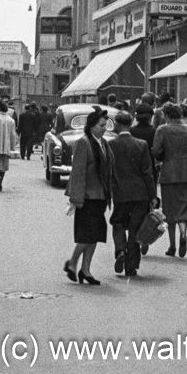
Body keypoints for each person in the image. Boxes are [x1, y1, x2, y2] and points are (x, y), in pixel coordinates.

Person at [64, 107, 115, 285]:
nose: (104, 129)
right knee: (88, 235)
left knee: (96, 234)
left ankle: (85, 270)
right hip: (87, 197)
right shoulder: (84, 142)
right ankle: (72, 262)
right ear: (92, 126)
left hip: (100, 196)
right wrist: (75, 198)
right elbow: (78, 172)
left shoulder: (103, 143)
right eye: (101, 125)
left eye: (105, 125)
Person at [153, 103, 187, 258]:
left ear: (167, 115)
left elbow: (156, 151)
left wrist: (163, 156)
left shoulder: (162, 129)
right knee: (185, 206)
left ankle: (172, 246)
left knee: (170, 209)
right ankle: (183, 234)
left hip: (169, 172)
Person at [109, 112, 155, 277]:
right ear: (130, 124)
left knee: (118, 222)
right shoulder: (141, 145)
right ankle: (131, 266)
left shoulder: (111, 144)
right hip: (140, 193)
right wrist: (153, 196)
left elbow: (108, 171)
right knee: (136, 228)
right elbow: (148, 173)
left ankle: (120, 250)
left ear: (117, 124)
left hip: (120, 192)